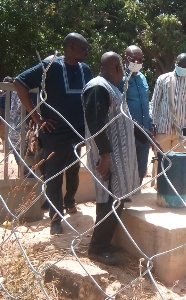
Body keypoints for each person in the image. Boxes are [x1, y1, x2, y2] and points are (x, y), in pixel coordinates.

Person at [14, 33, 92, 235]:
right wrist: (37, 118)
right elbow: (19, 82)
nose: (86, 52)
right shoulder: (50, 67)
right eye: (83, 48)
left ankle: (70, 202)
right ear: (70, 47)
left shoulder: (85, 70)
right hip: (54, 130)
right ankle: (55, 220)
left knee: (73, 170)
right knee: (54, 175)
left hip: (77, 131)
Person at [83, 52, 140, 265]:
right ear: (116, 68)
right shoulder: (98, 87)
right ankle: (97, 249)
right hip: (108, 158)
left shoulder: (108, 88)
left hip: (117, 158)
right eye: (122, 70)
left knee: (114, 201)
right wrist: (105, 155)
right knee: (107, 202)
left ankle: (104, 242)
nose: (123, 74)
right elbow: (96, 123)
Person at [150, 53, 186, 152]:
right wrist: (152, 124)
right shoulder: (163, 79)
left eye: (185, 66)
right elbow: (154, 103)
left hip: (182, 131)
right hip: (163, 128)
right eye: (180, 65)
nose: (182, 68)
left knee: (179, 163)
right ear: (175, 63)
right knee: (160, 162)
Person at [120, 45, 152, 184]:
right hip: (128, 130)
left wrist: (150, 125)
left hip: (144, 131)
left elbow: (146, 103)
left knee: (142, 167)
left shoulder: (143, 78)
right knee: (127, 165)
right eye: (134, 59)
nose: (137, 62)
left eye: (140, 59)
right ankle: (125, 194)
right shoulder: (120, 78)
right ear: (126, 58)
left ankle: (136, 189)